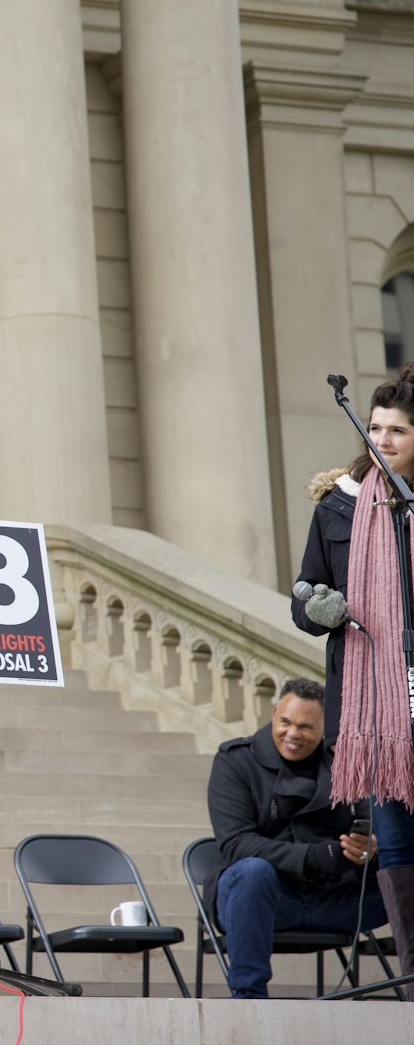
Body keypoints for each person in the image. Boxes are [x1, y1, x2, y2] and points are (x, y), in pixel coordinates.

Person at [291, 360, 414, 987]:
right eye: (375, 428)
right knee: (393, 844)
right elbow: (305, 597)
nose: (383, 441)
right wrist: (319, 608)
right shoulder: (337, 506)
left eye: (397, 431)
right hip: (372, 706)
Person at [205, 677, 386, 999]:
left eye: (306, 727)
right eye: (285, 722)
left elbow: (373, 824)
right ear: (274, 713)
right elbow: (235, 844)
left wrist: (370, 848)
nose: (292, 734)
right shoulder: (234, 760)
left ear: (326, 728)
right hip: (260, 898)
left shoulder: (347, 764)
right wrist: (312, 857)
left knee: (401, 869)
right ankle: (249, 998)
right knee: (251, 871)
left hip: (336, 899)